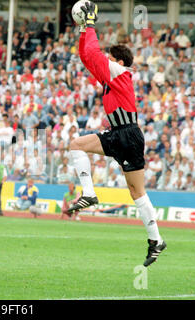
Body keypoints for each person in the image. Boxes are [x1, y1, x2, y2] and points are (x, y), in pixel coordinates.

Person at [67, 1, 166, 267]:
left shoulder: (119, 71)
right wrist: (82, 30)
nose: (106, 60)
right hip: (123, 134)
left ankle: (155, 240)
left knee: (137, 191)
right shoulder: (112, 75)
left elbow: (93, 53)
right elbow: (87, 57)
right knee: (77, 145)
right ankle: (156, 240)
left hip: (128, 134)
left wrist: (89, 26)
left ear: (119, 62)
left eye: (111, 58)